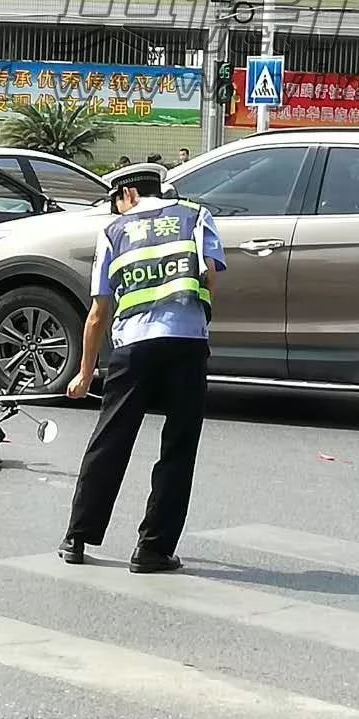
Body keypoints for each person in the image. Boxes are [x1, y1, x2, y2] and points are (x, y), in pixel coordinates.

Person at [58, 163, 225, 574]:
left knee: (111, 439)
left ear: (125, 195)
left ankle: (77, 538)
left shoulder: (113, 232)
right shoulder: (195, 215)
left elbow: (99, 312)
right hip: (186, 343)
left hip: (133, 347)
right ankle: (153, 548)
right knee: (178, 446)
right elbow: (211, 279)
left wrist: (83, 372)